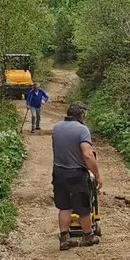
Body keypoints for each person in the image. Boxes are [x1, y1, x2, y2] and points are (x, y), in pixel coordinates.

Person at [51, 102, 101, 250]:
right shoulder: (82, 130)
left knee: (64, 207)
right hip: (76, 173)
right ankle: (87, 236)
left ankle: (65, 238)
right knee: (84, 207)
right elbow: (87, 154)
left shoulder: (57, 128)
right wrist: (97, 174)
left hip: (58, 172)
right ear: (82, 115)